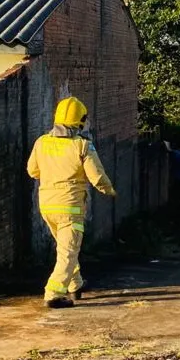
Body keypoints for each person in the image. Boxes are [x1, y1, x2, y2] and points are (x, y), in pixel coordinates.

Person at [27, 96, 116, 308]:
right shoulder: (83, 145)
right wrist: (110, 190)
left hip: (47, 205)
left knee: (66, 248)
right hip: (70, 206)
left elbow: (32, 171)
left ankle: (75, 284)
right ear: (80, 120)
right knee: (68, 251)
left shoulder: (41, 142)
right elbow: (96, 176)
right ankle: (53, 293)